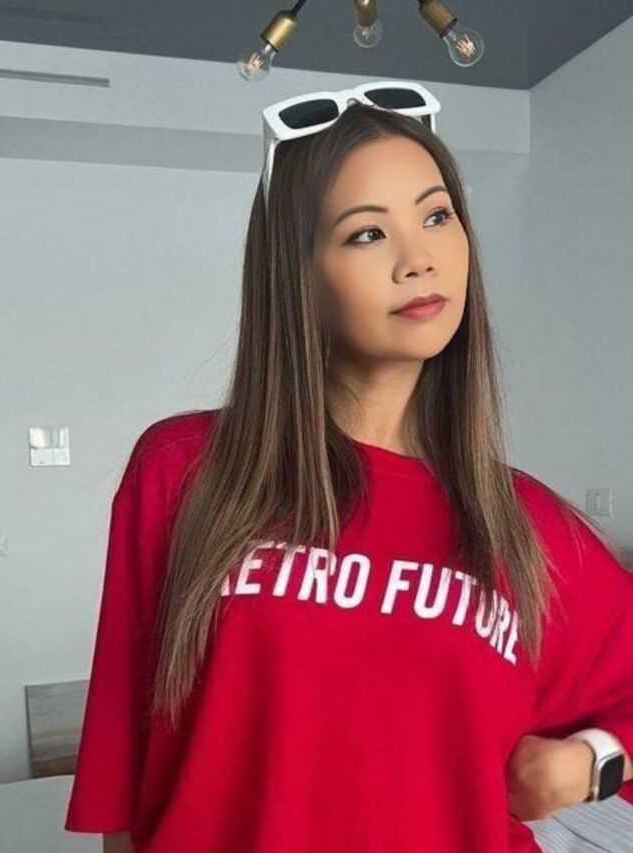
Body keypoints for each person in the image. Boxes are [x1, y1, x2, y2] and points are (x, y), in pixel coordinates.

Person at [64, 82, 633, 853]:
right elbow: (122, 772)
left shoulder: (528, 528)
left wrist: (593, 760)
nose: (418, 258)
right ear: (296, 271)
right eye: (367, 233)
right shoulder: (185, 471)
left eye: (437, 216)